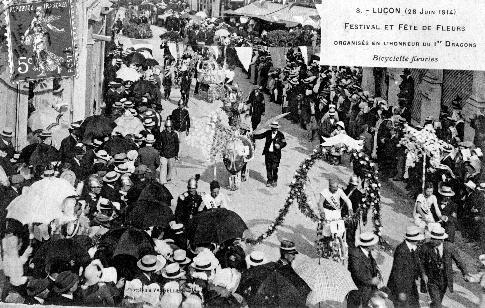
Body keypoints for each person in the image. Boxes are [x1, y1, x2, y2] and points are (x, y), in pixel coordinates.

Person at [420, 226, 472, 308]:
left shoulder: (449, 247)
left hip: (444, 279)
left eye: (435, 239)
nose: (432, 240)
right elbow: (421, 263)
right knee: (437, 304)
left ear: (441, 239)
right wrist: (423, 274)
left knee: (437, 301)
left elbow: (459, 261)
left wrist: (465, 273)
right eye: (432, 238)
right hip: (431, 279)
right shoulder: (425, 247)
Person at [387, 225, 425, 308]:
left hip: (410, 285)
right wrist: (400, 292)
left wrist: (423, 274)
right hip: (400, 288)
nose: (419, 240)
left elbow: (418, 262)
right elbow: (397, 273)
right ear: (412, 239)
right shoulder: (401, 250)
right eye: (417, 239)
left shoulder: (414, 247)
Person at [317, 178, 353, 253]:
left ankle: (340, 242)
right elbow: (320, 203)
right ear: (330, 186)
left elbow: (347, 200)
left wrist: (350, 208)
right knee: (327, 228)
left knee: (340, 227)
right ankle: (326, 243)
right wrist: (322, 212)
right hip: (327, 211)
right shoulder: (325, 192)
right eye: (334, 188)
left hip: (336, 212)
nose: (336, 189)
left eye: (337, 187)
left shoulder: (339, 191)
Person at [348, 232, 381, 307]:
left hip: (369, 291)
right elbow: (357, 273)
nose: (375, 245)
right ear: (368, 246)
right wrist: (371, 281)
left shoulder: (368, 252)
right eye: (373, 244)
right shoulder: (355, 255)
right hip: (359, 294)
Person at [275, 240, 311, 307]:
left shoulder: (285, 265)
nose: (294, 257)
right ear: (285, 255)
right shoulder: (283, 269)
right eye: (292, 254)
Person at [252, 121, 287, 187]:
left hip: (276, 154)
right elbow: (261, 136)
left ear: (277, 128)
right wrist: (252, 136)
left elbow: (284, 143)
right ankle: (269, 180)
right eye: (272, 128)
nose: (274, 130)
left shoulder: (280, 135)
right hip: (268, 153)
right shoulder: (268, 132)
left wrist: (280, 145)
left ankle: (275, 180)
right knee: (268, 167)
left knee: (274, 167)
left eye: (275, 128)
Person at [343, 175, 363, 247]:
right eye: (352, 185)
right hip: (344, 214)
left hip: (353, 217)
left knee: (351, 234)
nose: (353, 186)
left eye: (355, 185)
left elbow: (359, 206)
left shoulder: (359, 194)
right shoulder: (345, 191)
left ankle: (350, 247)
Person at [159, 120, 179, 184]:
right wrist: (160, 152)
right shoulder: (162, 134)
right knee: (163, 168)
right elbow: (159, 143)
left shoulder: (174, 134)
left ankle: (170, 179)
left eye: (170, 127)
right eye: (167, 127)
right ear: (165, 127)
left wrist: (176, 153)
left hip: (172, 153)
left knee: (171, 167)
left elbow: (177, 145)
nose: (168, 128)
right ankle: (162, 181)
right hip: (164, 153)